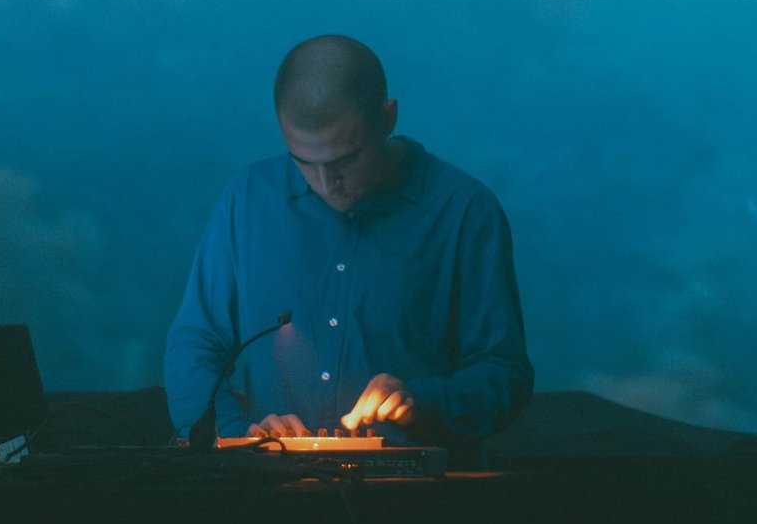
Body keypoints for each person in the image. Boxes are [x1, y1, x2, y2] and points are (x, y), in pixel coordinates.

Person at [164, 34, 533, 444]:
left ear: (388, 118)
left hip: (419, 481)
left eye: (346, 159)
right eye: (304, 161)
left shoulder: (465, 210)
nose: (327, 184)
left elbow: (504, 373)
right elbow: (196, 344)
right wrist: (237, 436)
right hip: (266, 476)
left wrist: (423, 402)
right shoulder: (250, 198)